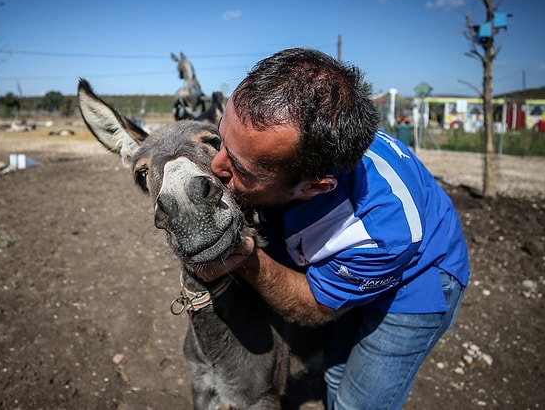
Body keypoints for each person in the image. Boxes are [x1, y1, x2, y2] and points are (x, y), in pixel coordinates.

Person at [195, 48, 469, 409]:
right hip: (356, 259)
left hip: (417, 282)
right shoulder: (304, 148)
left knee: (358, 402)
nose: (216, 166)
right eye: (221, 140)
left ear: (314, 187)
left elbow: (315, 304)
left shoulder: (382, 233)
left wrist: (246, 260)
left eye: (241, 169)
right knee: (335, 374)